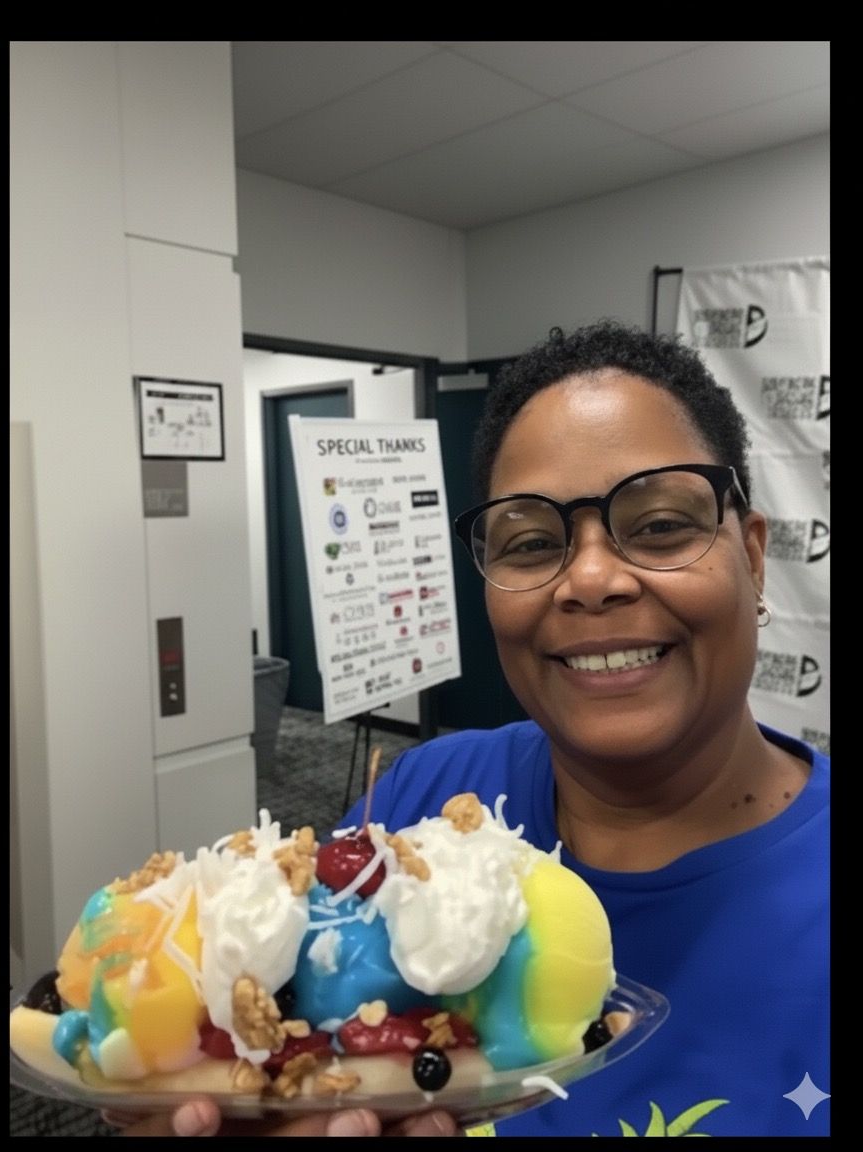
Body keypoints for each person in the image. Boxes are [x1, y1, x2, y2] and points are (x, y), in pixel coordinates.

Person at [118, 319, 829, 1137]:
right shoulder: (421, 798)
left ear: (753, 556)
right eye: (531, 542)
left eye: (661, 525)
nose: (591, 578)